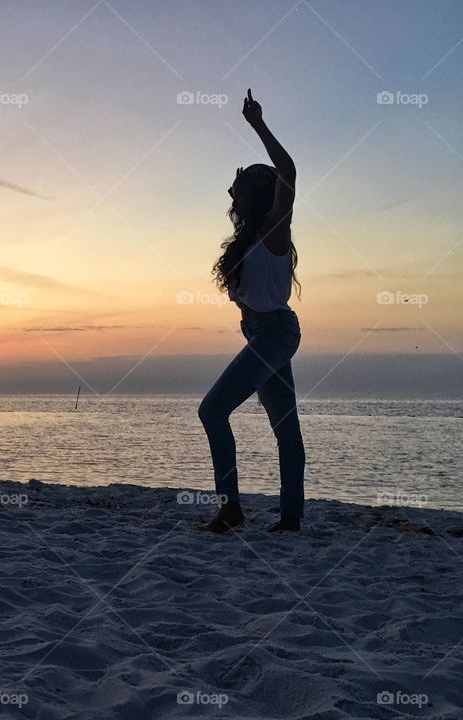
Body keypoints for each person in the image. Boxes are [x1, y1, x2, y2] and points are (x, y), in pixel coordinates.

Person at [199, 89, 305, 533]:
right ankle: (291, 518)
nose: (234, 198)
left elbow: (290, 172)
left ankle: (231, 508)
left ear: (259, 194)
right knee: (285, 428)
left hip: (275, 333)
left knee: (212, 410)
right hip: (262, 335)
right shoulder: (244, 244)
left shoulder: (275, 228)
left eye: (239, 190)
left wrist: (257, 124)